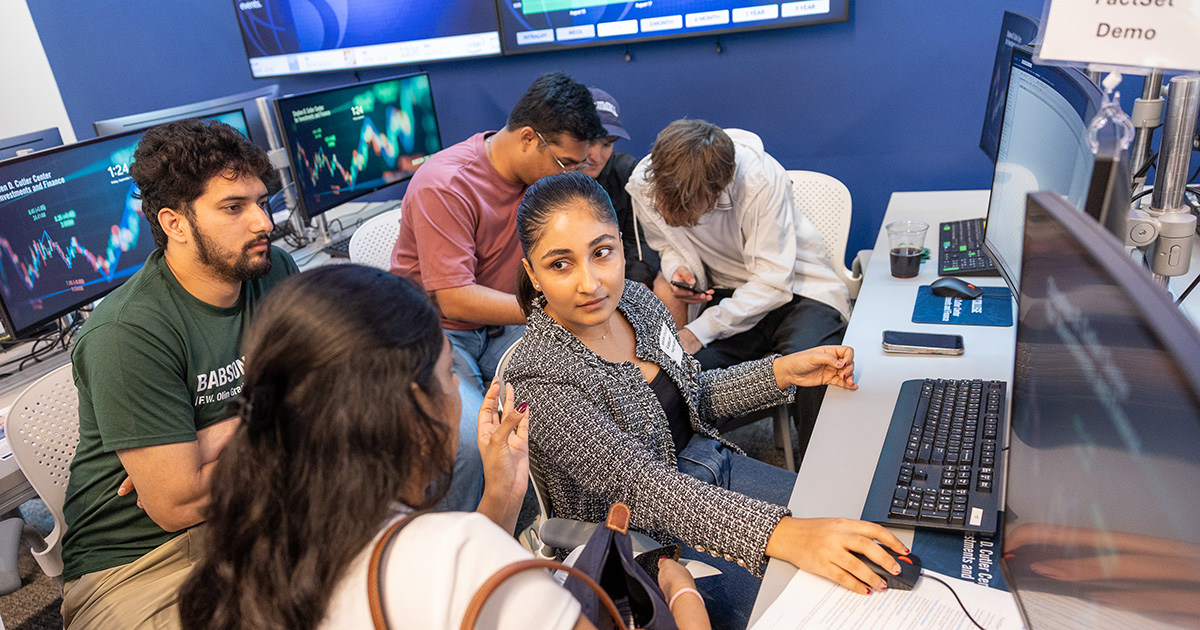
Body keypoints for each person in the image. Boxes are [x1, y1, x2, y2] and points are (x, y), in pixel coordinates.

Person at [177, 264, 711, 630]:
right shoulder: (461, 555)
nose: (459, 385)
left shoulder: (255, 554)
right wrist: (683, 596)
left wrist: (501, 492)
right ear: (414, 405)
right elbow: (459, 569)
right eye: (447, 371)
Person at [506, 173, 906, 630]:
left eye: (602, 253)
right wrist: (783, 534)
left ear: (620, 244)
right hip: (647, 542)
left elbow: (694, 396)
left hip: (714, 468)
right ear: (533, 273)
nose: (591, 282)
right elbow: (645, 488)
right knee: (828, 608)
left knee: (863, 541)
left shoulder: (636, 302)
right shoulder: (540, 376)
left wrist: (780, 371)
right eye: (561, 265)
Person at [61, 119, 299, 629]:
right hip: (142, 560)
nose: (264, 222)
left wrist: (209, 438)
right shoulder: (128, 332)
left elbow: (325, 386)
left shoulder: (273, 269)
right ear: (175, 223)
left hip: (258, 510)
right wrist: (291, 420)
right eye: (234, 207)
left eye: (261, 201)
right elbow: (175, 504)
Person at [391, 72, 607, 511]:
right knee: (471, 444)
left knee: (586, 389)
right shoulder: (446, 183)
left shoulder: (538, 180)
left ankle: (577, 516)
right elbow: (454, 298)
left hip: (500, 323)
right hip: (438, 332)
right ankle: (467, 549)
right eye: (566, 163)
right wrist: (554, 310)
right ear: (528, 138)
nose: (572, 174)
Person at [627, 120, 851, 455]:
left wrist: (698, 330)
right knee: (681, 380)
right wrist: (679, 271)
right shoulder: (644, 185)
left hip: (801, 290)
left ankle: (823, 477)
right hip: (728, 294)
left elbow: (774, 284)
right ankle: (688, 482)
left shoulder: (760, 178)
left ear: (721, 189)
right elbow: (667, 244)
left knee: (815, 367)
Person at [580, 87, 660, 288]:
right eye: (589, 143)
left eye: (607, 144)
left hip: (619, 282)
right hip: (567, 285)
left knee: (666, 288)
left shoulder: (624, 171)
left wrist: (628, 296)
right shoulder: (547, 176)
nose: (596, 157)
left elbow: (641, 245)